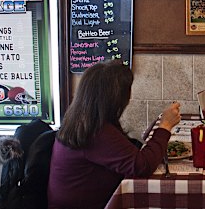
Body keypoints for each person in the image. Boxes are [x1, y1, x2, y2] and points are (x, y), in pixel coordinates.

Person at [47, 60, 181, 209]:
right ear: (115, 98)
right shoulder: (95, 131)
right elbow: (143, 166)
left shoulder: (82, 120)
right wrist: (165, 126)